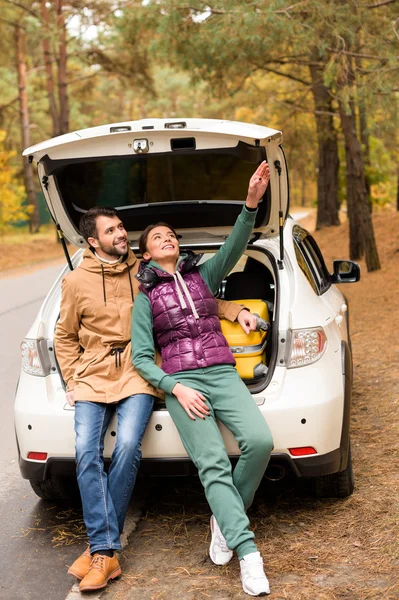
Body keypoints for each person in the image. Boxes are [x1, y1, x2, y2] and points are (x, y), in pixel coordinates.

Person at [54, 205, 259, 593]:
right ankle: (105, 546)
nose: (120, 234)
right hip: (94, 372)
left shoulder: (143, 271)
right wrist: (70, 377)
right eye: (111, 230)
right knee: (85, 450)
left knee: (129, 445)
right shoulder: (74, 281)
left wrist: (236, 309)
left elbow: (194, 302)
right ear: (92, 241)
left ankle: (102, 551)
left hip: (139, 368)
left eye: (121, 227)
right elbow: (64, 336)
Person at [132, 161, 274, 597]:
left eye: (170, 234)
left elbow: (233, 248)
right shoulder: (145, 299)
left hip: (221, 371)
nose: (167, 238)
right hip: (183, 383)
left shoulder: (202, 277)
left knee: (261, 442)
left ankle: (223, 520)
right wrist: (175, 387)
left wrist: (251, 203)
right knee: (212, 462)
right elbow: (141, 357)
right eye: (158, 237)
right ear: (146, 254)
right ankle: (248, 553)